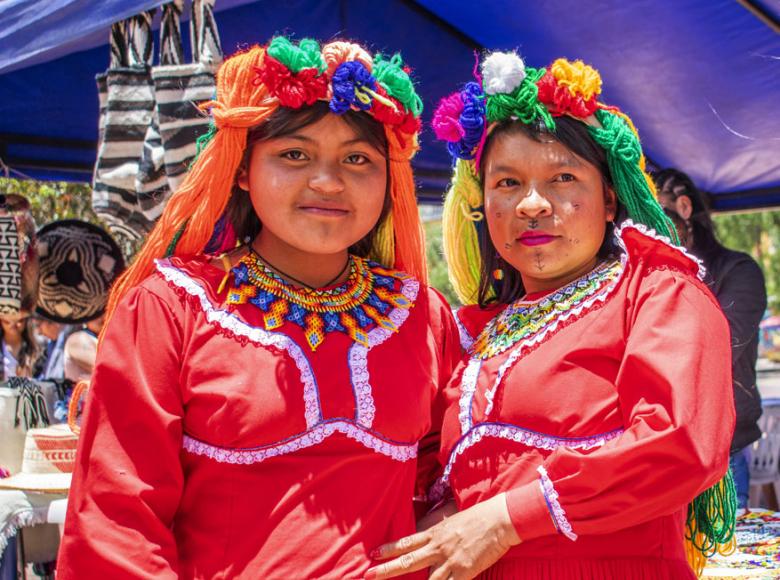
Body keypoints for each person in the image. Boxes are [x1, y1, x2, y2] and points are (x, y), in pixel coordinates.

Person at [58, 37, 460, 579]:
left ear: (390, 182)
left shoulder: (420, 315)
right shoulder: (172, 308)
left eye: (358, 158)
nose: (327, 180)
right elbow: (116, 521)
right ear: (243, 169)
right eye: (294, 154)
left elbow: (456, 469)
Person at [368, 54, 736, 579]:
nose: (532, 205)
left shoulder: (657, 294)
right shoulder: (472, 332)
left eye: (562, 177)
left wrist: (506, 519)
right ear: (483, 203)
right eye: (508, 183)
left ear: (609, 199)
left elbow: (678, 444)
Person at [655, 167, 767, 509]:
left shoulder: (739, 271)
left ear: (684, 207)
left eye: (655, 215)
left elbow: (718, 350)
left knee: (722, 559)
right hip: (660, 455)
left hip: (723, 454)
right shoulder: (651, 274)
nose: (645, 229)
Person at [62, 315, 103, 383]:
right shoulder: (78, 339)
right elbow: (106, 369)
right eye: (96, 314)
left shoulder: (101, 337)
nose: (101, 318)